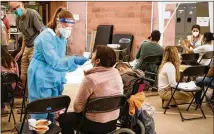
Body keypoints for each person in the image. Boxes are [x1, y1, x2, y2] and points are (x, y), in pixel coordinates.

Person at [27, 8, 87, 122]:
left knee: (53, 106)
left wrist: (71, 62)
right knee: (42, 107)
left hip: (54, 74)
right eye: (66, 26)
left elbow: (59, 59)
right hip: (41, 73)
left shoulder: (62, 37)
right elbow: (54, 61)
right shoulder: (45, 37)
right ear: (58, 22)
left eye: (70, 27)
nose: (68, 30)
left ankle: (50, 125)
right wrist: (73, 60)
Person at [59, 45, 123, 134]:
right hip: (112, 123)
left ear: (97, 61)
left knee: (64, 118)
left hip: (93, 125)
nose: (91, 55)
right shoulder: (116, 73)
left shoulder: (90, 79)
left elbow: (78, 107)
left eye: (93, 54)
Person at [9, 2, 45, 90]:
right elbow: (25, 36)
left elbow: (42, 32)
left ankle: (34, 97)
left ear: (22, 4)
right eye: (14, 9)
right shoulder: (18, 19)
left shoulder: (32, 14)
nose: (17, 10)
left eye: (18, 7)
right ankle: (27, 96)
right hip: (27, 47)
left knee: (33, 73)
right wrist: (21, 51)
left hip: (35, 47)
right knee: (23, 76)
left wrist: (40, 50)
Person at [1, 46, 19, 114]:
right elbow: (17, 76)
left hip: (3, 89)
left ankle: (2, 106)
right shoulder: (14, 62)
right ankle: (9, 101)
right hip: (13, 88)